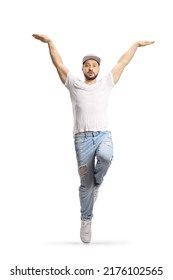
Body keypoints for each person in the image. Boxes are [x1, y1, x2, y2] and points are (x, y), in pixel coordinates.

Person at [32, 34, 154, 243]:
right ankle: (86, 219)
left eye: (94, 66)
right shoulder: (73, 84)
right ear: (82, 69)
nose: (90, 68)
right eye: (86, 65)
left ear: (98, 69)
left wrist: (135, 44)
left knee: (106, 156)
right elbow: (58, 63)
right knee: (85, 185)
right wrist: (50, 42)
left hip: (102, 135)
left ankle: (98, 183)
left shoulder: (106, 83)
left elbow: (122, 62)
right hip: (82, 140)